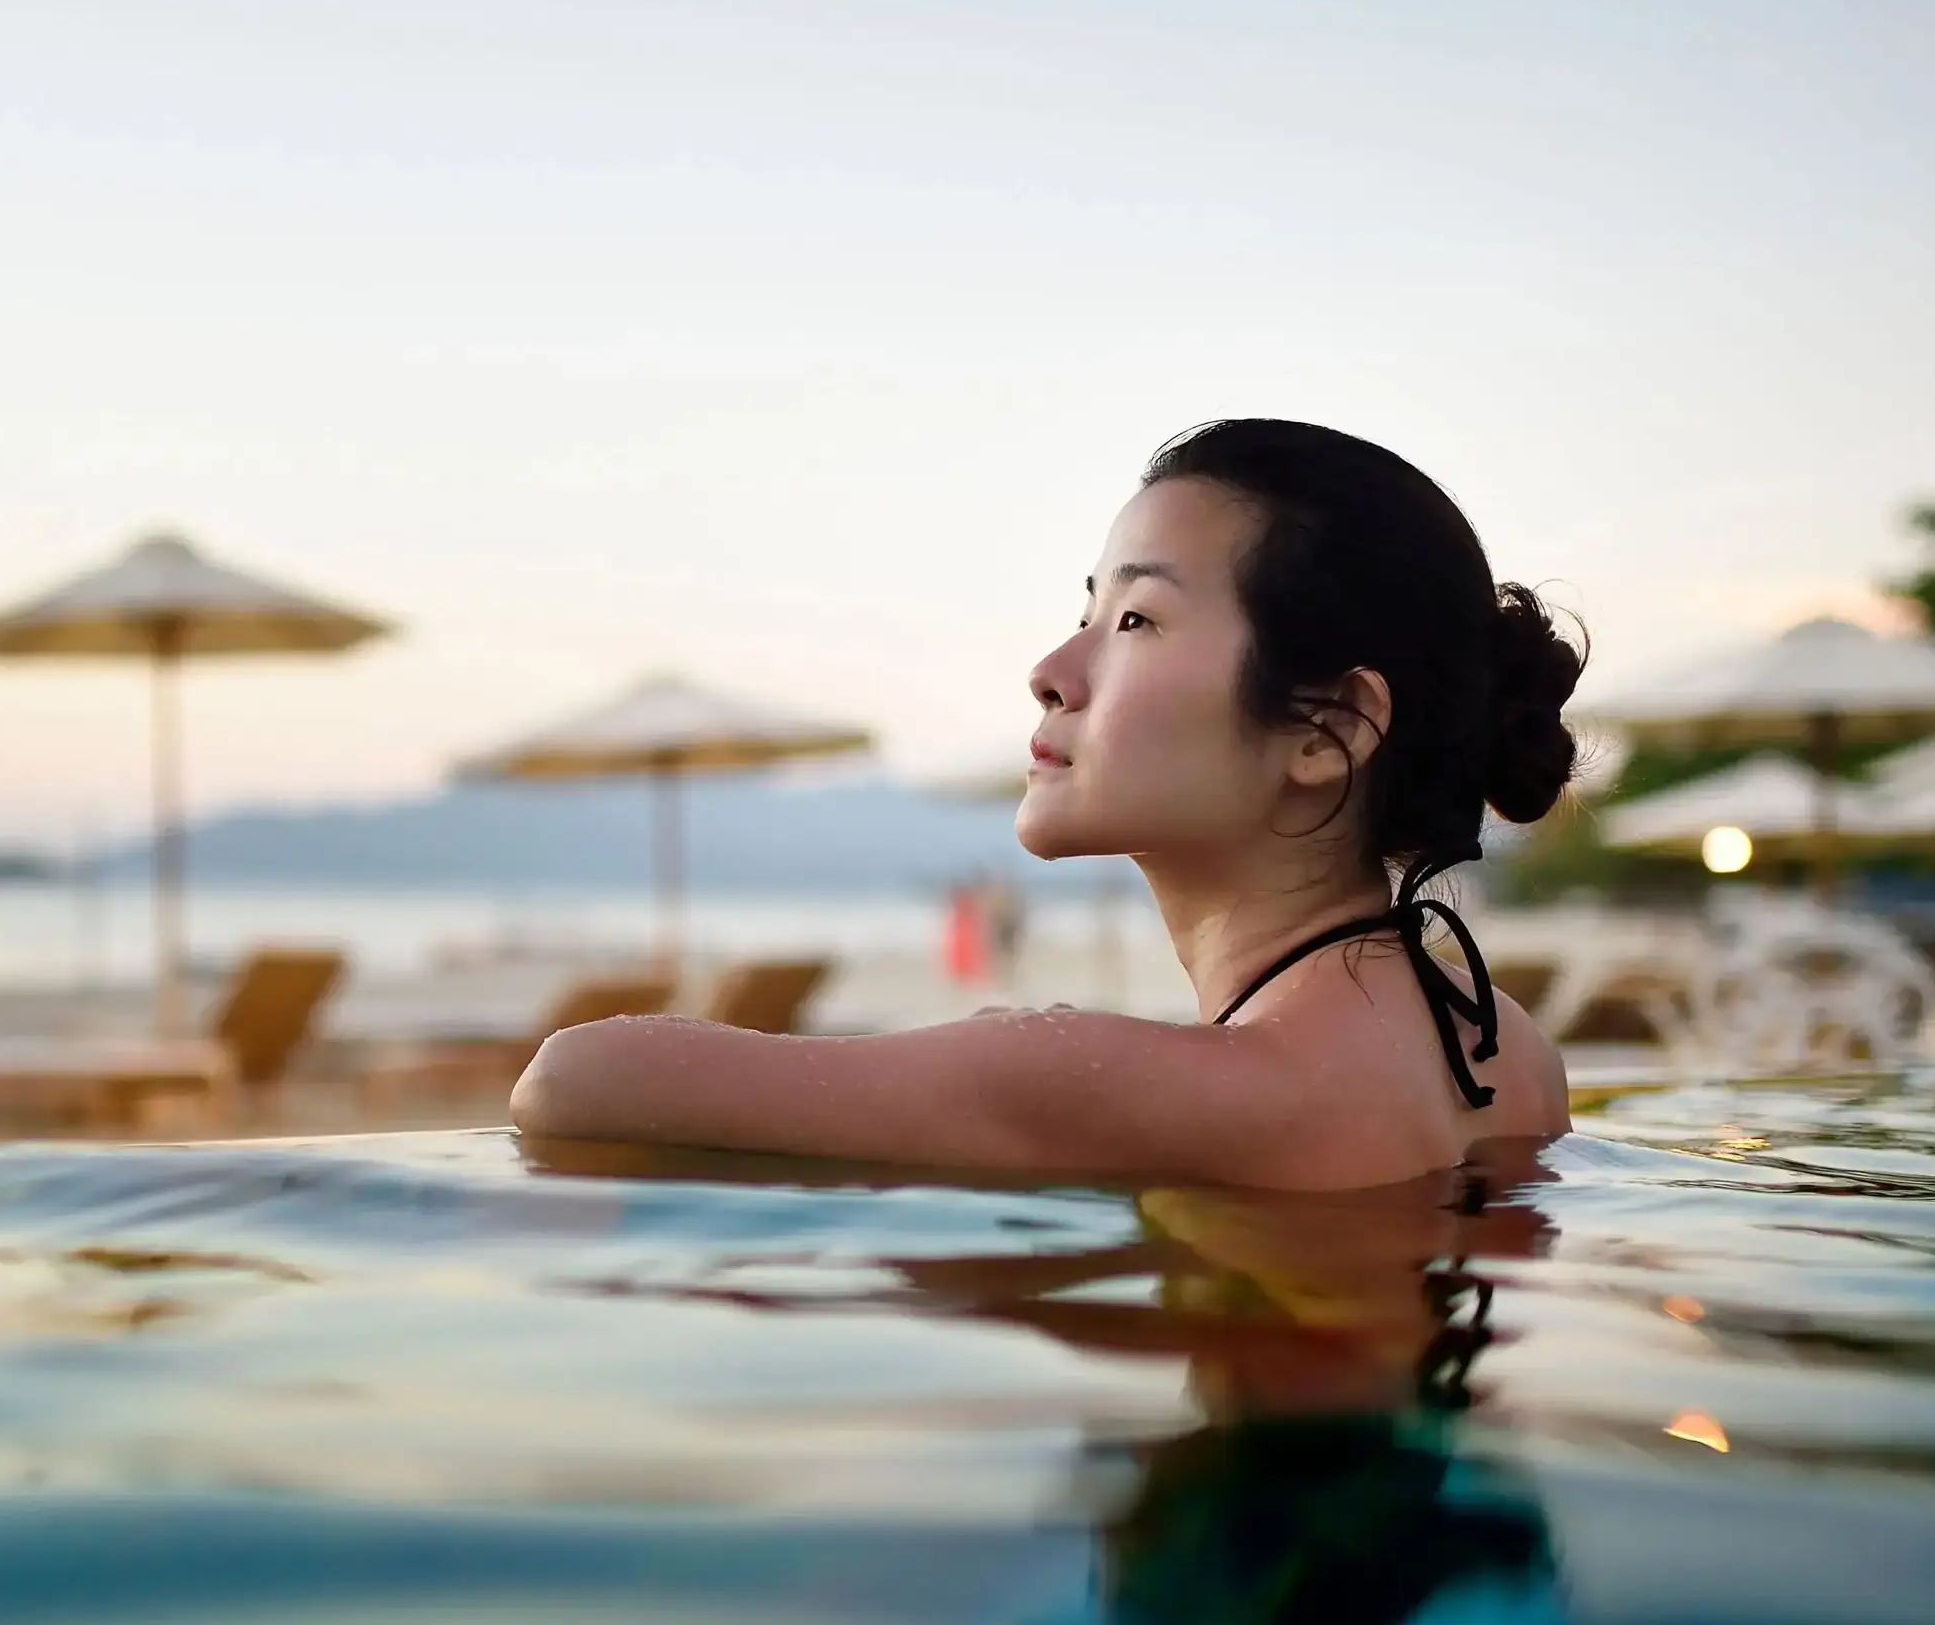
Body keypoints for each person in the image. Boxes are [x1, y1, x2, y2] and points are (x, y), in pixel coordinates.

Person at [511, 418, 1586, 1188]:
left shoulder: (1172, 1086)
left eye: (1136, 621)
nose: (1051, 667)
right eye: (1088, 608)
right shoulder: (1509, 1052)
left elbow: (574, 1078)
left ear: (1328, 730)